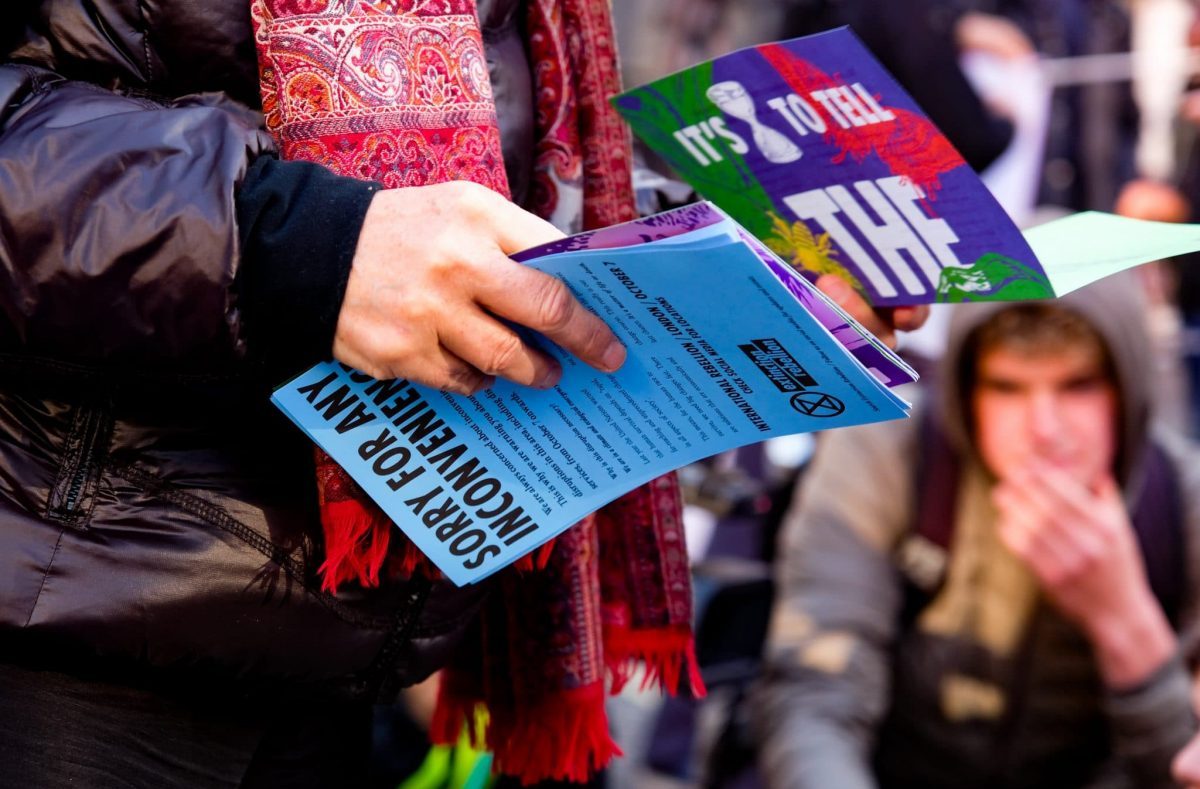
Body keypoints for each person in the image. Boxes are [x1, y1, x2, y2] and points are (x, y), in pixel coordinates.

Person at [0, 1, 922, 787]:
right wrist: (296, 242)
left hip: (336, 635)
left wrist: (745, 265)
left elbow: (497, 172)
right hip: (73, 618)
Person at [755, 274, 1200, 789]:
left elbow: (1181, 768)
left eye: (1078, 385)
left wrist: (1124, 622)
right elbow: (816, 691)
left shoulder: (1182, 500)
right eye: (1007, 387)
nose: (1045, 431)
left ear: (1129, 387)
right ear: (966, 390)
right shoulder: (891, 451)